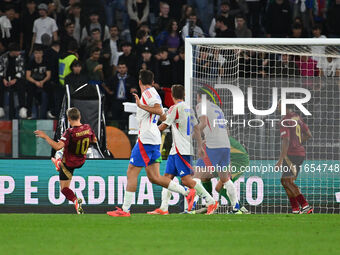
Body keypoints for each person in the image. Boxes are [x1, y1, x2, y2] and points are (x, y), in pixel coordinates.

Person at [107, 70, 196, 217]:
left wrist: (141, 106)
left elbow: (159, 110)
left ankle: (125, 209)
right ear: (153, 81)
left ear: (140, 82)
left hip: (146, 139)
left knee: (131, 172)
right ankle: (187, 192)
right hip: (153, 137)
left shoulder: (147, 93)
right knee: (154, 177)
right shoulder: (154, 92)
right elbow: (162, 115)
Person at [147, 84, 219, 215]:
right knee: (167, 178)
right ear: (184, 95)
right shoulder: (189, 108)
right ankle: (163, 208)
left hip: (181, 150)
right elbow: (197, 128)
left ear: (172, 96)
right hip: (177, 150)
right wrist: (199, 146)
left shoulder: (175, 108)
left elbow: (164, 125)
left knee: (186, 180)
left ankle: (211, 201)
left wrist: (149, 133)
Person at [34, 107, 97, 214]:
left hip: (69, 163)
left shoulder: (70, 132)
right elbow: (94, 141)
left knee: (64, 189)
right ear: (79, 116)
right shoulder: (88, 128)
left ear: (68, 119)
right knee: (62, 153)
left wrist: (45, 136)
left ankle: (75, 200)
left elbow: (57, 146)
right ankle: (58, 163)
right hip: (81, 161)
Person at [193, 89, 242, 214]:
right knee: (224, 178)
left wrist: (190, 134)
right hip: (225, 145)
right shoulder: (217, 108)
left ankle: (192, 207)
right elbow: (225, 129)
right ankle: (236, 207)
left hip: (213, 146)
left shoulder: (201, 105)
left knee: (196, 177)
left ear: (199, 97)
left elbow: (203, 124)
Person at [275, 101, 313, 214]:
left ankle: (305, 206)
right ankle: (296, 209)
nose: (277, 106)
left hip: (291, 154)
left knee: (288, 181)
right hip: (300, 153)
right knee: (285, 181)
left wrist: (280, 160)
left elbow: (286, 140)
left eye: (279, 105)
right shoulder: (297, 117)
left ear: (285, 106)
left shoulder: (284, 121)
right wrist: (298, 143)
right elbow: (308, 134)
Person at [0, 42, 26, 119]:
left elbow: (21, 71)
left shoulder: (20, 58)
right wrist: (3, 79)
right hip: (5, 78)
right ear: (13, 51)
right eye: (18, 51)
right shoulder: (3, 57)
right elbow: (0, 69)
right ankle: (0, 107)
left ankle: (22, 108)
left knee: (21, 84)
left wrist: (15, 79)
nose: (19, 52)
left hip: (16, 79)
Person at [26, 46, 52, 119]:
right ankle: (29, 113)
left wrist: (42, 81)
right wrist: (36, 82)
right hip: (33, 82)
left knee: (50, 88)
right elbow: (28, 76)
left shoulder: (46, 62)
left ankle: (50, 110)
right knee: (29, 90)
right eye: (36, 53)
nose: (38, 55)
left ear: (42, 54)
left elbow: (48, 75)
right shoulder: (30, 63)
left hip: (44, 81)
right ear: (34, 54)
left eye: (39, 53)